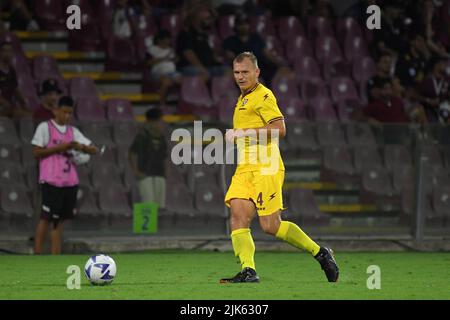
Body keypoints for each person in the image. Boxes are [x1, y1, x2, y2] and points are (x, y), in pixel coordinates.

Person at [220, 52, 339, 283]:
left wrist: (241, 133)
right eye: (237, 72)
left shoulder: (264, 96)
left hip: (266, 166)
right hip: (245, 168)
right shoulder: (243, 98)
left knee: (270, 226)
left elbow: (279, 129)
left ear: (257, 72)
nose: (240, 76)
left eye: (245, 72)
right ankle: (248, 270)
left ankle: (320, 253)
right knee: (237, 216)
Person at [31, 96, 98, 254]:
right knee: (47, 218)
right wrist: (61, 147)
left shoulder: (72, 131)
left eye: (70, 113)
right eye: (64, 112)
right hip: (51, 180)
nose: (67, 116)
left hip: (69, 181)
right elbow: (36, 151)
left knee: (60, 220)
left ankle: (56, 254)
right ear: (56, 110)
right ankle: (37, 253)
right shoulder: (45, 127)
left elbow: (93, 149)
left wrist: (80, 147)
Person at [129, 108, 167, 209]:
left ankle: (158, 224)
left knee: (160, 206)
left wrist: (167, 170)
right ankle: (146, 225)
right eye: (160, 121)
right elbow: (133, 153)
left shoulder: (161, 137)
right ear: (152, 122)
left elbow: (165, 156)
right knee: (147, 205)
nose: (162, 124)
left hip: (159, 174)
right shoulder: (142, 136)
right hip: (145, 174)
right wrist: (136, 170)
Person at [146, 29, 180, 106]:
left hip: (172, 72)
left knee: (184, 81)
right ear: (159, 40)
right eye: (167, 38)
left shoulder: (171, 50)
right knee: (166, 81)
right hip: (158, 72)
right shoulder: (152, 50)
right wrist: (163, 59)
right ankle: (162, 104)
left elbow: (176, 60)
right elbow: (148, 63)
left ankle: (183, 104)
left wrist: (175, 59)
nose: (169, 40)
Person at [0, 39, 31, 118]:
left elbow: (16, 89)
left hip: (9, 107)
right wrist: (6, 104)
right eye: (5, 51)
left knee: (29, 115)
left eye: (9, 51)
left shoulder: (11, 70)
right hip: (4, 106)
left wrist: (24, 102)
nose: (7, 54)